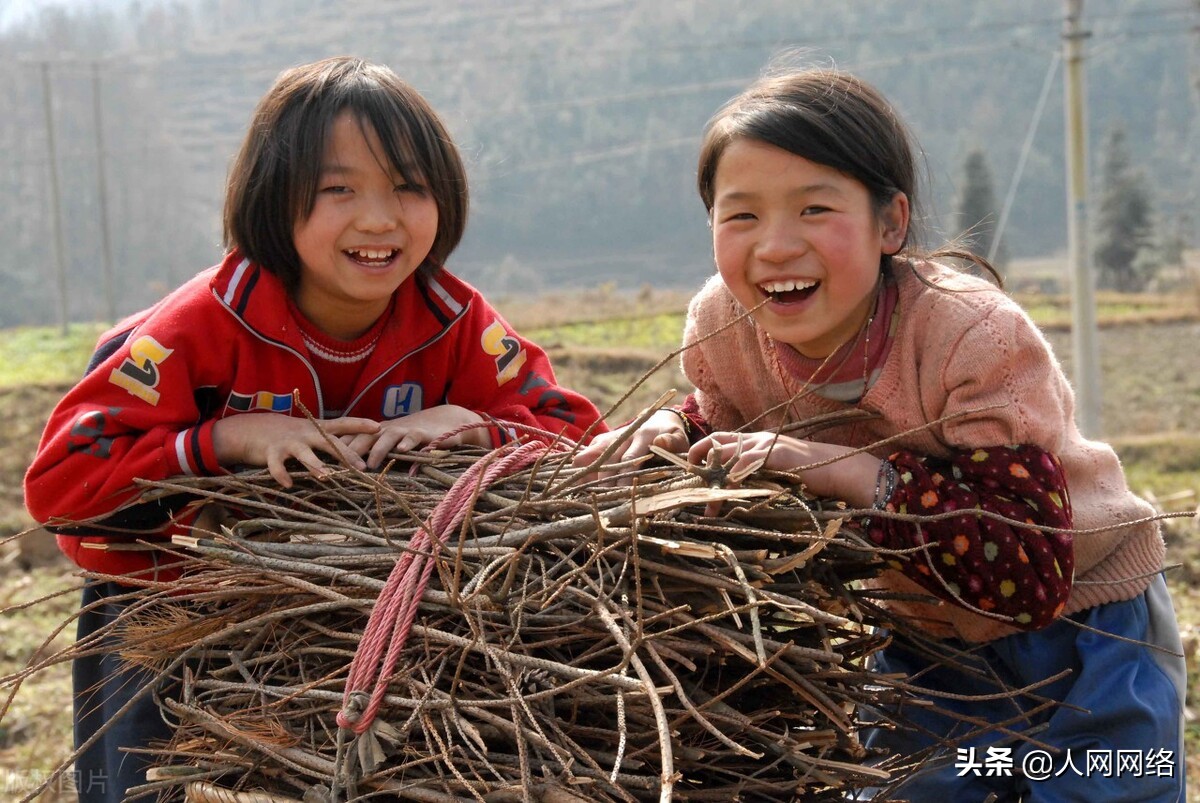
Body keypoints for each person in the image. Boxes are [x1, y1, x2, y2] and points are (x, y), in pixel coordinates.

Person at [574, 66, 1186, 801]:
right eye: (741, 216)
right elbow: (727, 415)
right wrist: (670, 430)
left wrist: (848, 470)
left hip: (1090, 627)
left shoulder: (973, 335)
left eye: (813, 209)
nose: (773, 247)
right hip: (927, 643)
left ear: (891, 223)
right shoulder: (722, 325)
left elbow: (1029, 571)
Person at [24, 56, 604, 802]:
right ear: (275, 198)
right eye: (339, 189)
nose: (379, 218)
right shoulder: (198, 326)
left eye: (408, 187)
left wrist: (476, 425)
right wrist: (225, 441)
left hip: (371, 598)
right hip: (172, 597)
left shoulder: (453, 321)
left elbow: (582, 434)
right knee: (140, 785)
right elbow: (61, 482)